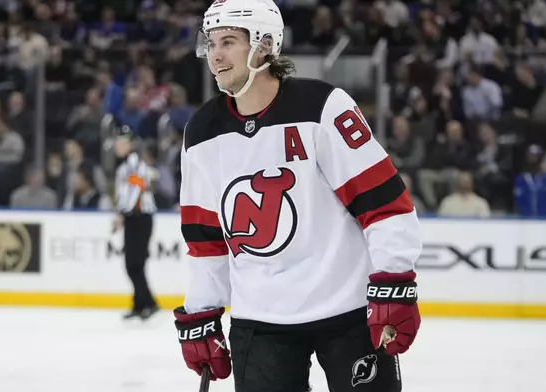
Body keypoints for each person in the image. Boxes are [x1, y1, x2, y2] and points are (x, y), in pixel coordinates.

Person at [173, 0, 423, 391]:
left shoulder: (322, 107)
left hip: (347, 311)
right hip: (260, 321)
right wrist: (202, 311)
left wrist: (394, 277)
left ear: (265, 45)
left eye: (228, 42)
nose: (215, 55)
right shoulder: (202, 132)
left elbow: (383, 205)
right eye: (211, 43)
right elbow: (205, 240)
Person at [113, 128, 159, 320]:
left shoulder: (133, 164)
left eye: (121, 141)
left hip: (139, 216)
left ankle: (148, 303)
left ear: (130, 143)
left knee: (134, 263)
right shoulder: (127, 165)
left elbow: (135, 190)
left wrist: (122, 213)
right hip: (136, 216)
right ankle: (140, 304)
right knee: (134, 263)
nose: (117, 145)